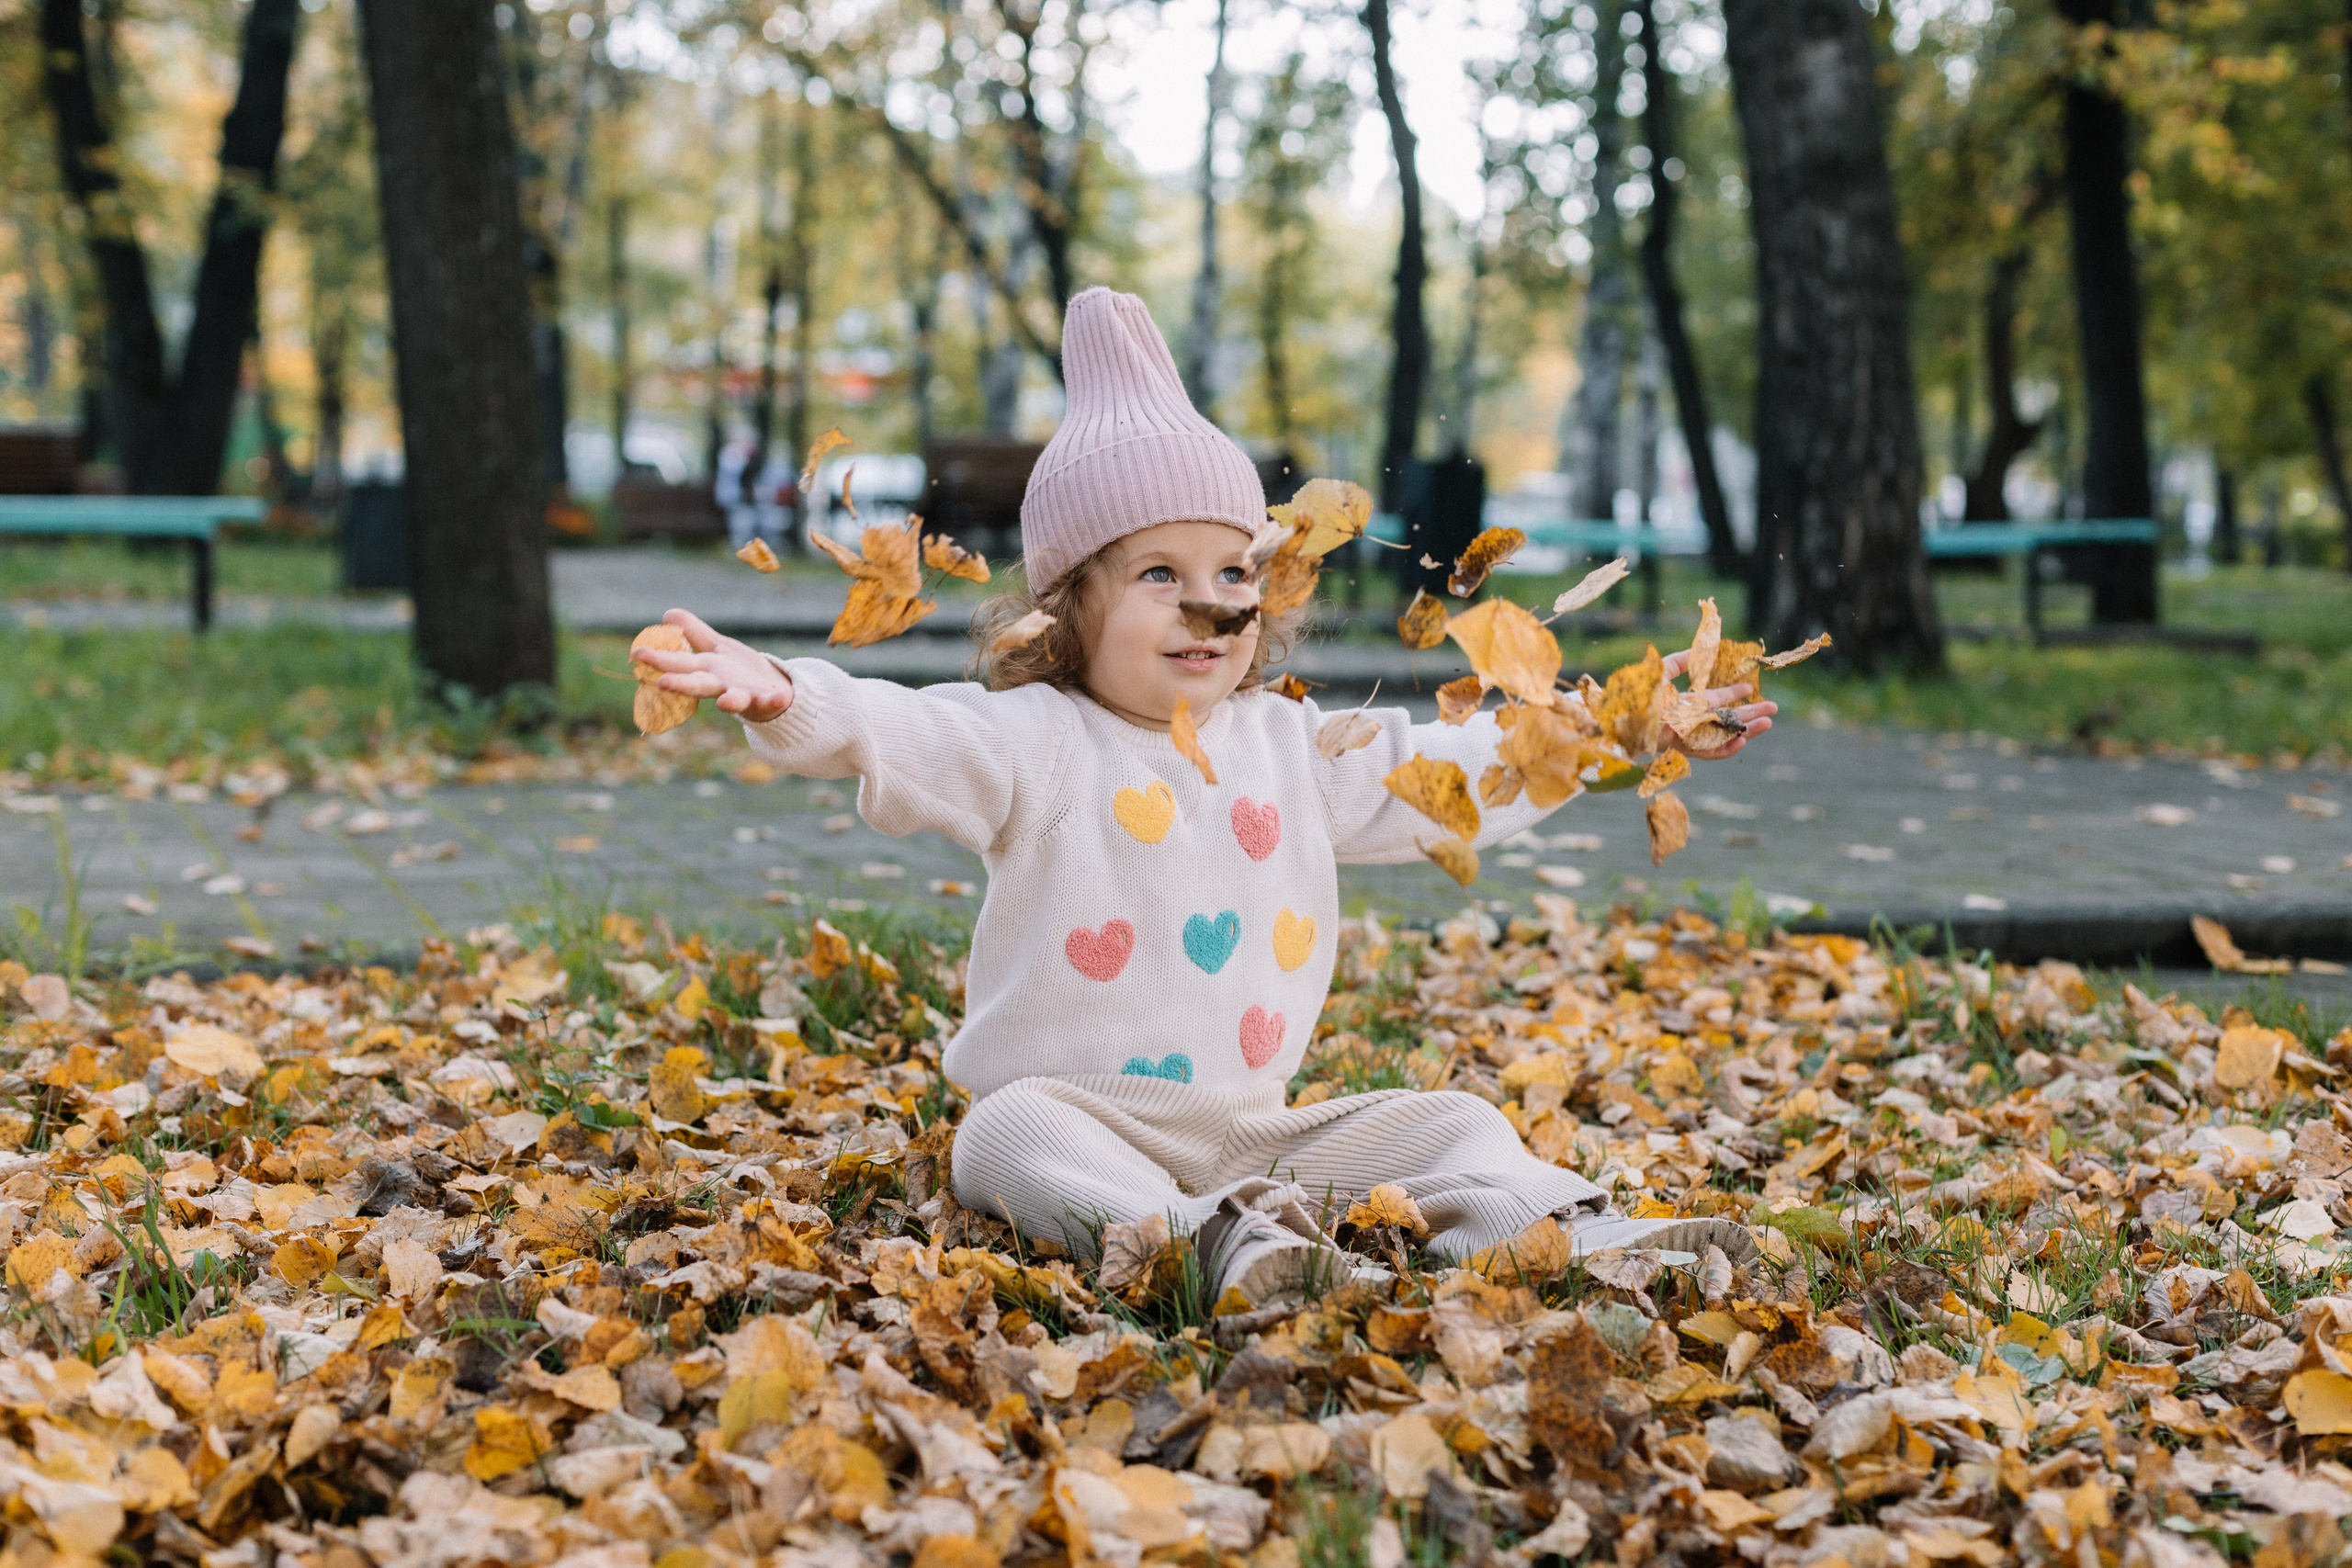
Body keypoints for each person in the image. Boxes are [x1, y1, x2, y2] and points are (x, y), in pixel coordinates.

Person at [635, 288, 1775, 1309]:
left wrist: (1616, 723)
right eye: (1157, 577)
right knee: (1000, 1134)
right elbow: (902, 729)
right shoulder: (1035, 739)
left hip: (1257, 1129)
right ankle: (1207, 1246)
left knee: (1456, 1120)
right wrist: (783, 690)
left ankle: (1567, 1232)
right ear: (1062, 610)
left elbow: (1456, 773)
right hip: (1088, 1112)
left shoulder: (1292, 744)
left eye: (1231, 573)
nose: (1207, 608)